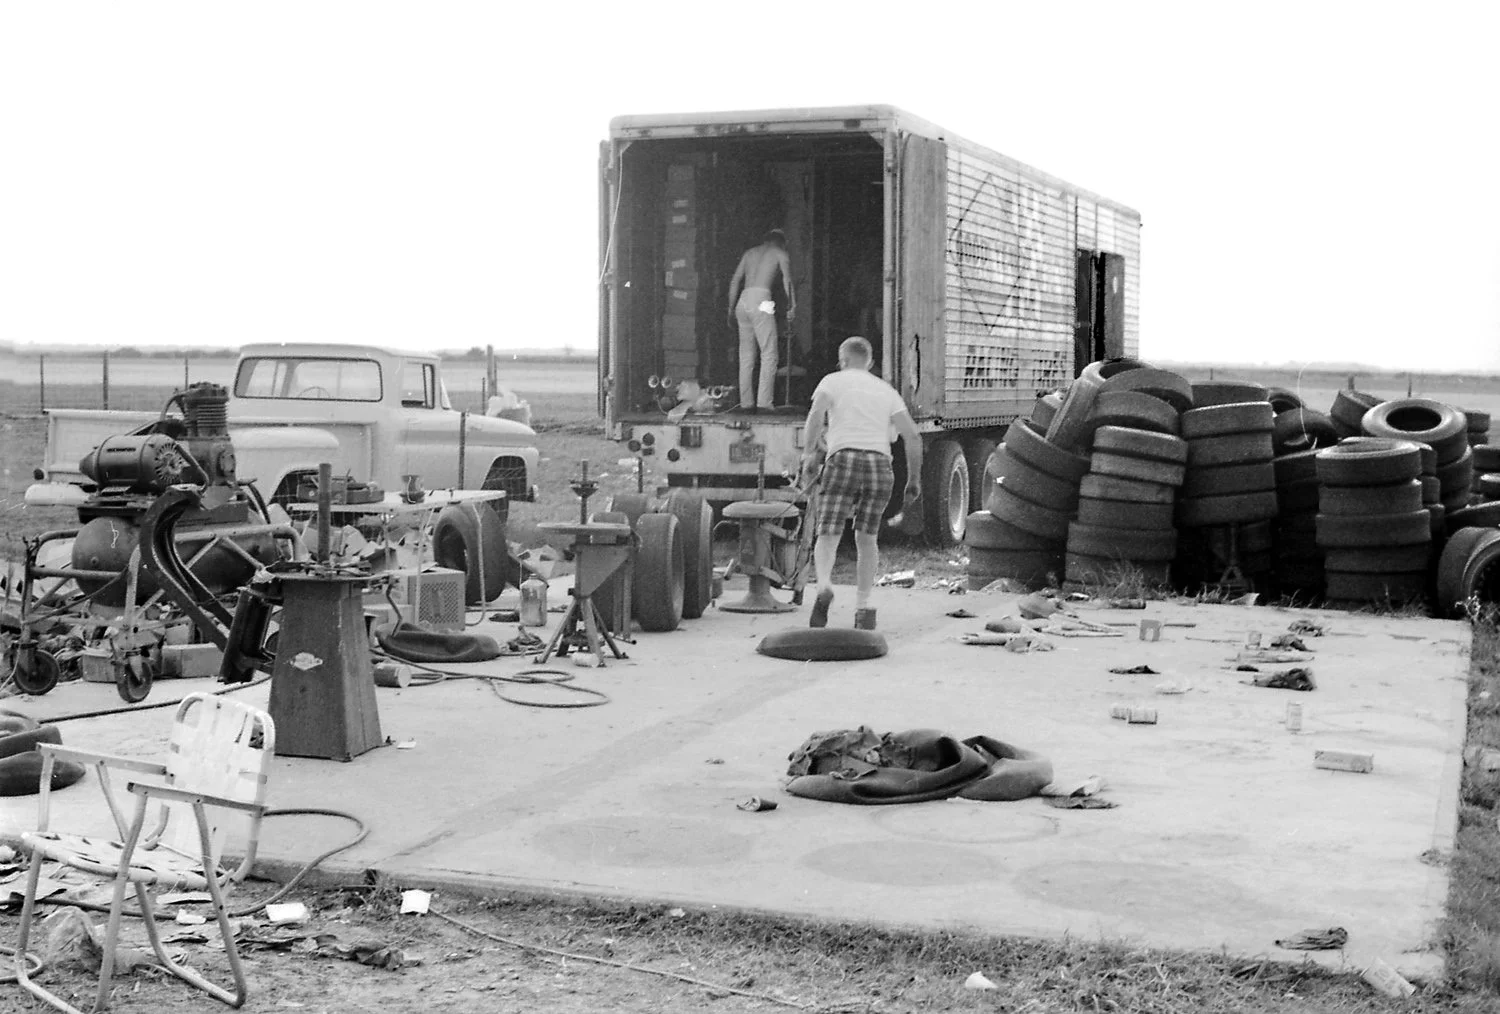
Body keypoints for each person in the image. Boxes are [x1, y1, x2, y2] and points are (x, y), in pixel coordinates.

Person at [799, 336, 922, 631]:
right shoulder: (887, 391)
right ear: (871, 363)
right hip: (879, 465)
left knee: (828, 532)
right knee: (867, 539)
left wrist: (809, 454)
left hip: (843, 458)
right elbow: (913, 437)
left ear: (842, 360)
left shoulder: (832, 381)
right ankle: (864, 607)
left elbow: (815, 416)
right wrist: (913, 480)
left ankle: (824, 585)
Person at [727, 228, 796, 412]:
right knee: (769, 352)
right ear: (782, 242)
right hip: (762, 299)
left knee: (746, 355)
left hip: (743, 300)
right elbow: (787, 280)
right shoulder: (780, 253)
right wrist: (792, 305)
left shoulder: (749, 253)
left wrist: (730, 308)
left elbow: (735, 280)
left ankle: (746, 403)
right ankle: (764, 403)